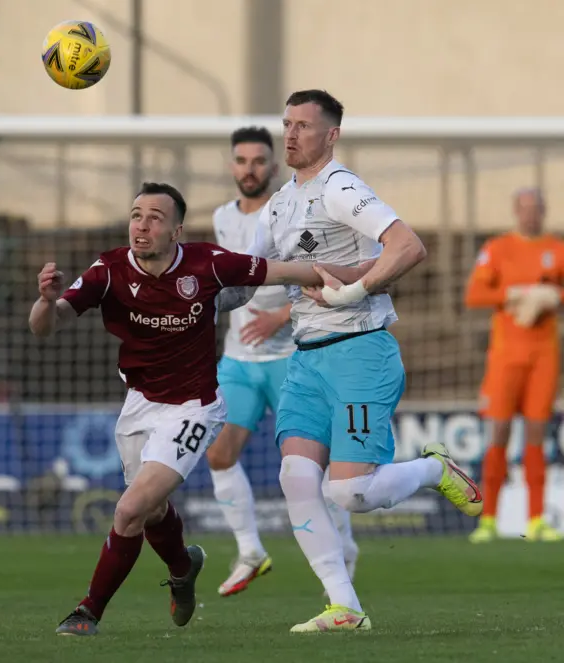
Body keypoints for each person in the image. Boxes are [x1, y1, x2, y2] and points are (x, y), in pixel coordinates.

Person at [29, 181, 373, 636]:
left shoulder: (207, 263)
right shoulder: (107, 271)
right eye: (136, 215)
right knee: (149, 512)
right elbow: (44, 328)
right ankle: (182, 568)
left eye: (155, 217)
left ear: (177, 229)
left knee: (130, 509)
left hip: (194, 408)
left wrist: (365, 275)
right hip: (139, 404)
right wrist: (46, 301)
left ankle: (87, 612)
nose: (142, 225)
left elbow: (289, 269)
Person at [242, 89, 483, 633]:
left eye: (305, 125)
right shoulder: (279, 204)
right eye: (287, 124)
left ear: (331, 135)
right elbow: (252, 279)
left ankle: (432, 468)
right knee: (296, 477)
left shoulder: (340, 188)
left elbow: (408, 246)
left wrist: (355, 291)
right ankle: (344, 606)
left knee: (348, 492)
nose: (292, 134)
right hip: (305, 360)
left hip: (359, 351)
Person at [208, 126, 359, 597]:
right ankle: (251, 550)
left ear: (273, 166)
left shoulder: (290, 211)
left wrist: (279, 315)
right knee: (218, 453)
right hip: (238, 359)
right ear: (232, 166)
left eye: (258, 161)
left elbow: (323, 278)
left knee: (315, 468)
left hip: (292, 355)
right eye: (241, 160)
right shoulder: (220, 218)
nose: (249, 169)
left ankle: (343, 546)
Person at [465, 187, 564, 543]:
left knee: (538, 433)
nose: (531, 215)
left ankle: (536, 519)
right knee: (499, 433)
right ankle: (487, 518)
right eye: (525, 209)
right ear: (515, 211)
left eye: (536, 209)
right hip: (506, 357)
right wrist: (513, 294)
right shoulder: (497, 249)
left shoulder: (556, 249)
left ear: (544, 211)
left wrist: (553, 296)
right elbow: (474, 295)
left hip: (544, 356)